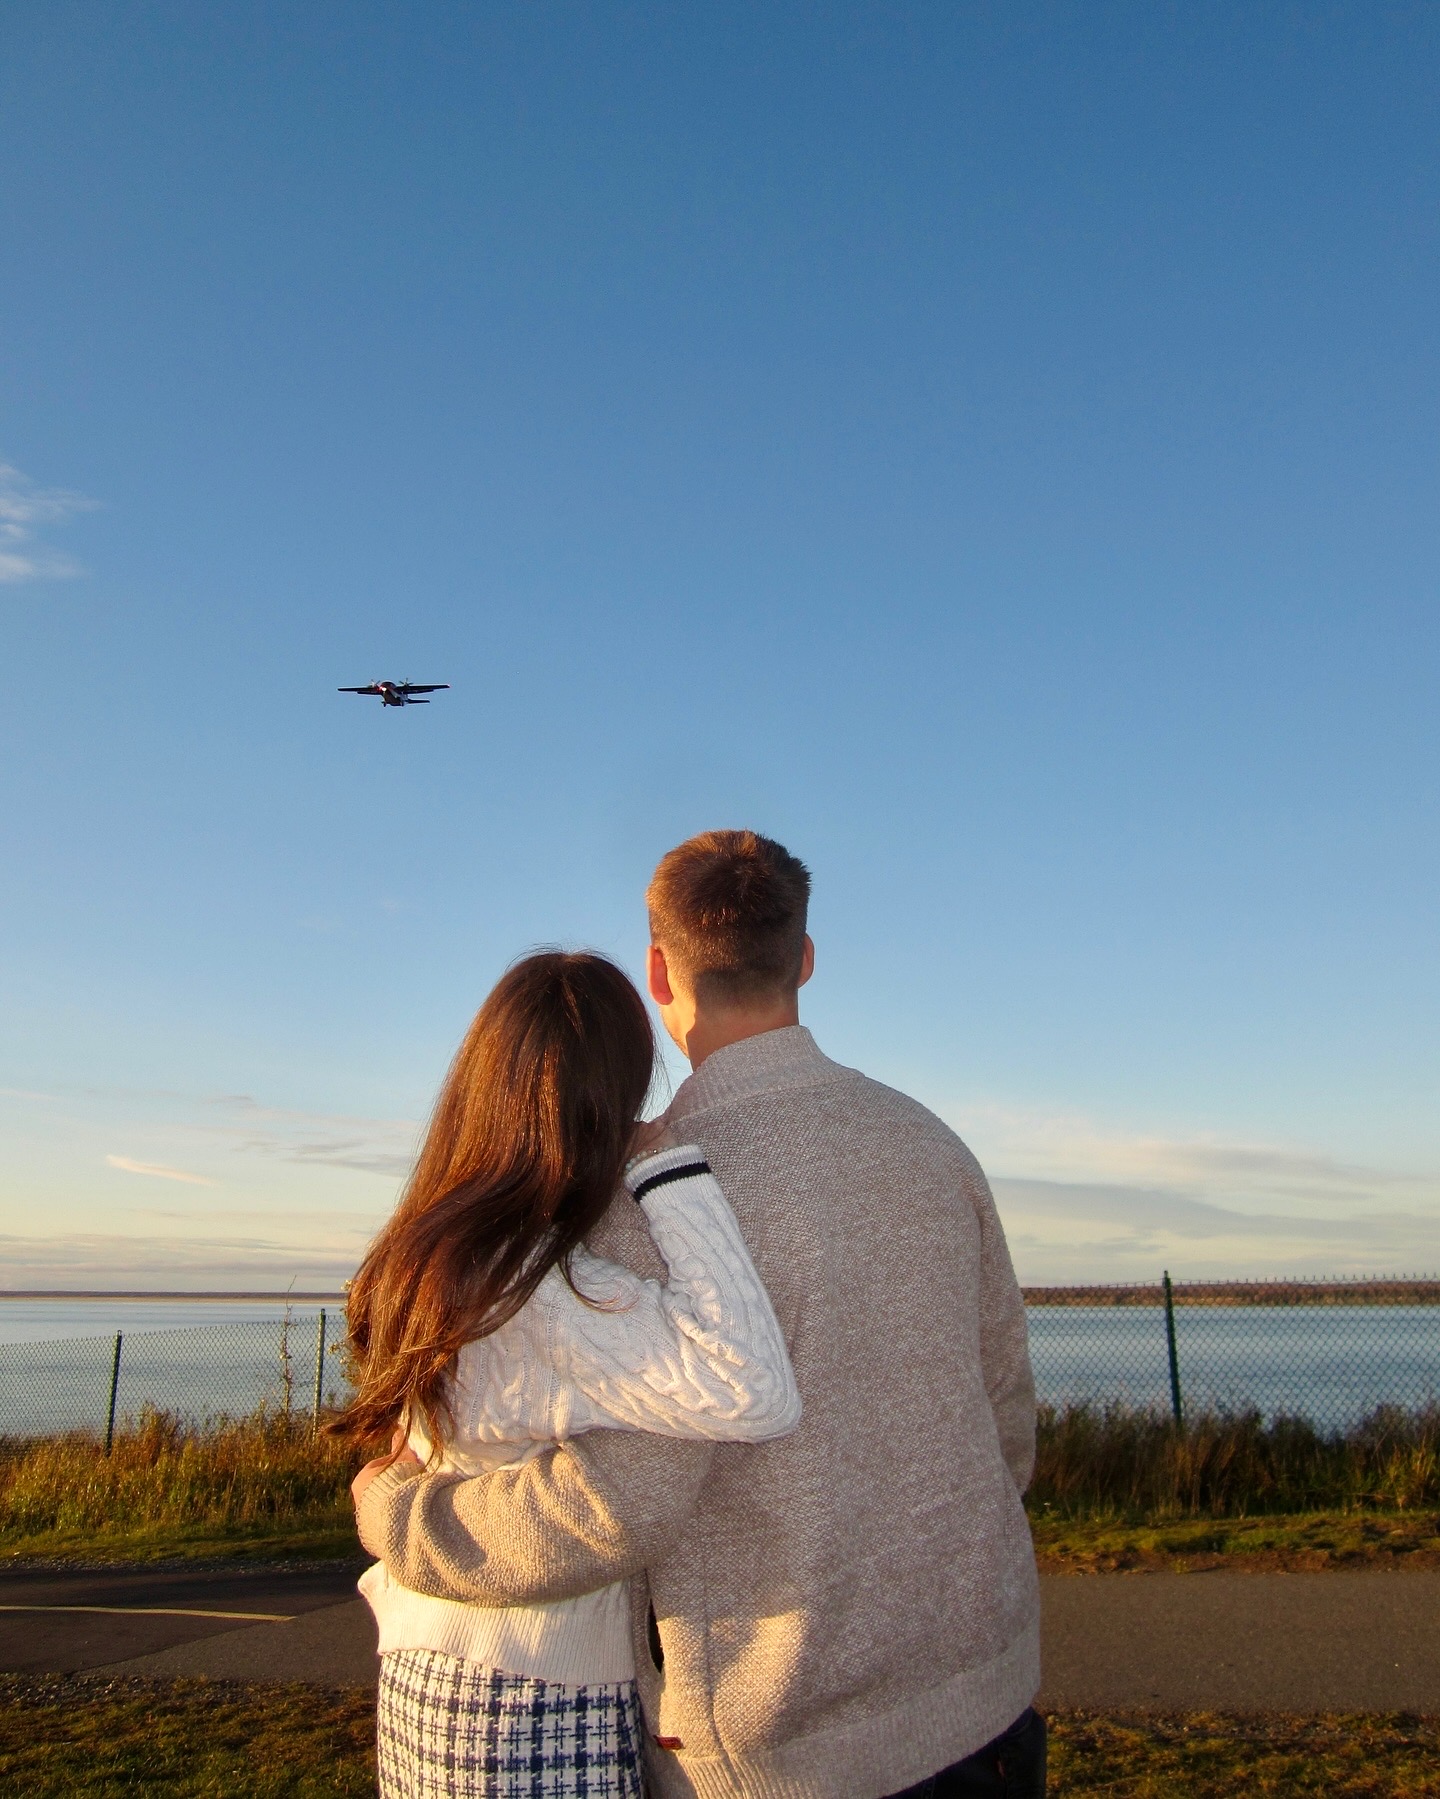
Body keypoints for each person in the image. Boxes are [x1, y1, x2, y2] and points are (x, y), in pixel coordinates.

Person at [354, 831, 1044, 1799]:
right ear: (804, 957)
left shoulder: (646, 1200)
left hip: (780, 1749)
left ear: (657, 969)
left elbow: (608, 1507)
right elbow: (1007, 1411)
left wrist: (401, 1514)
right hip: (990, 1700)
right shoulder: (934, 1145)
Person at [334, 949, 801, 1798]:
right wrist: (666, 1163)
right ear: (614, 1093)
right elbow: (753, 1385)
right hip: (535, 1695)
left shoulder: (432, 1256)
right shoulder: (550, 1294)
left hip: (417, 1671)